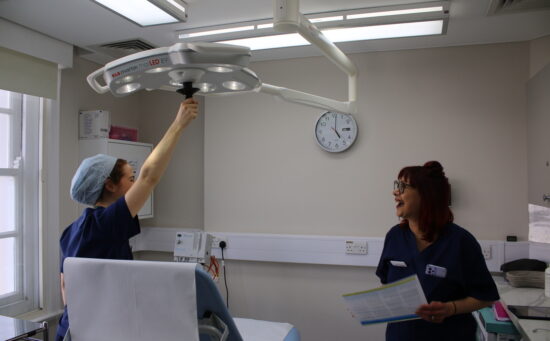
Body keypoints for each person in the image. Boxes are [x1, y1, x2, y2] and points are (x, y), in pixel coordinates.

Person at [55, 98, 199, 341]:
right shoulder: (105, 225)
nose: (134, 184)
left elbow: (65, 292)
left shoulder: (71, 231)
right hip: (97, 333)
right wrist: (178, 125)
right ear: (109, 185)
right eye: (129, 179)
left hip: (71, 331)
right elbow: (149, 178)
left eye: (133, 178)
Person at [376, 161, 499, 341]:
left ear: (426, 195)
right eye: (396, 186)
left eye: (403, 187)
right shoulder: (394, 237)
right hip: (400, 335)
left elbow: (486, 297)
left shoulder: (461, 242)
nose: (395, 192)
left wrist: (451, 308)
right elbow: (388, 286)